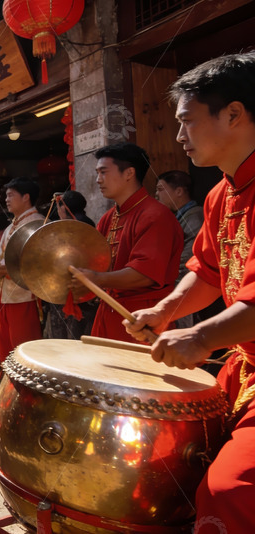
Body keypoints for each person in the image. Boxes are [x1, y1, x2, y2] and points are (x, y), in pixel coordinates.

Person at [125, 52, 255, 534]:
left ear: (235, 115)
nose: (179, 136)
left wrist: (199, 339)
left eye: (187, 122)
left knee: (228, 491)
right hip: (245, 364)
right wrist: (163, 311)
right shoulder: (222, 194)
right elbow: (205, 271)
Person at [68, 143, 182, 343]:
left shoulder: (155, 215)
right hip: (109, 312)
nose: (98, 180)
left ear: (129, 173)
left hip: (143, 318)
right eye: (97, 173)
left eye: (103, 172)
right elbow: (94, 262)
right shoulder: (109, 217)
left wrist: (95, 279)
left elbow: (144, 275)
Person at [0, 178, 45, 362]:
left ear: (26, 197)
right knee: (6, 346)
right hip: (6, 293)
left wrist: (4, 269)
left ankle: (23, 390)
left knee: (22, 347)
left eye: (11, 195)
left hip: (25, 294)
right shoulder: (12, 225)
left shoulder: (39, 223)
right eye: (6, 195)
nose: (6, 199)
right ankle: (7, 389)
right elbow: (4, 258)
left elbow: (39, 264)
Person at [44, 190, 98, 340]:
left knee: (67, 337)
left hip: (71, 285)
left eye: (59, 207)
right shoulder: (89, 223)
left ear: (64, 208)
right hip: (88, 284)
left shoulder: (70, 225)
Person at [155, 170, 205, 327]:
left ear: (179, 191)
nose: (156, 194)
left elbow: (189, 260)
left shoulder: (195, 216)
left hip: (189, 290)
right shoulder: (179, 216)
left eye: (161, 189)